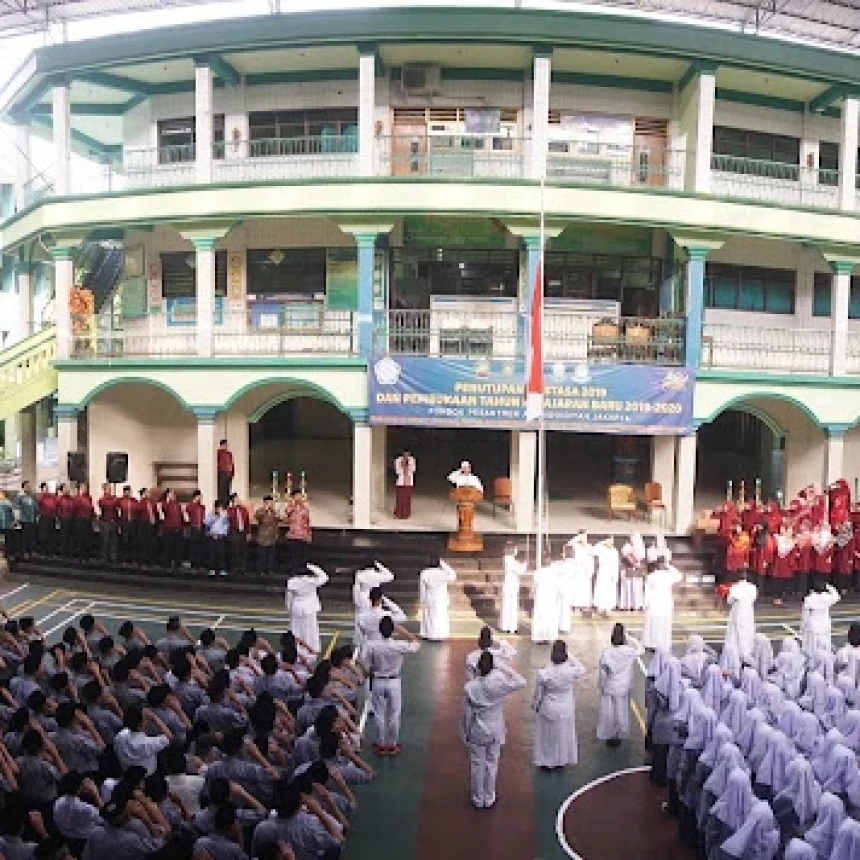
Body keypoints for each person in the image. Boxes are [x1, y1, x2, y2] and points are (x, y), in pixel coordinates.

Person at [460, 651, 526, 809]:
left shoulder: (470, 687)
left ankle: (478, 798)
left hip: (477, 727)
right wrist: (504, 668)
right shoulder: (499, 683)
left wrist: (465, 732)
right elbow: (521, 681)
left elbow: (466, 714)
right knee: (492, 762)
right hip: (496, 726)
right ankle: (489, 797)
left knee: (477, 763)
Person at [365, 615, 420, 755]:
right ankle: (393, 744)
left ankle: (381, 744)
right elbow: (416, 644)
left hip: (378, 680)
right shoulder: (399, 645)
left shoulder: (372, 646)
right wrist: (403, 632)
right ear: (392, 630)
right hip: (394, 682)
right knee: (394, 714)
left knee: (379, 714)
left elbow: (367, 666)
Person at [532, 639, 587, 770]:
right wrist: (570, 656)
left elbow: (538, 693)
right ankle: (560, 761)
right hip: (565, 707)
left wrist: (535, 705)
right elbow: (582, 668)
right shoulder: (571, 671)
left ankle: (546, 761)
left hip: (548, 707)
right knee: (562, 735)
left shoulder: (544, 672)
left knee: (546, 735)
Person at [597, 623, 644, 747]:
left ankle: (611, 735)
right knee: (622, 710)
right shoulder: (629, 651)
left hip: (610, 686)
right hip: (624, 686)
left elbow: (603, 673)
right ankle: (621, 733)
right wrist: (629, 638)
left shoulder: (607, 653)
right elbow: (641, 649)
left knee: (609, 712)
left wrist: (601, 686)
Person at [285, 563, 329, 653]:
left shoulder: (292, 581)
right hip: (310, 608)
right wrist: (312, 567)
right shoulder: (311, 581)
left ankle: (295, 648)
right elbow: (325, 577)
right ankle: (311, 647)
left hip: (296, 608)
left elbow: (288, 597)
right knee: (310, 629)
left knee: (296, 629)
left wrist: (289, 609)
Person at [642, 558, 683, 651]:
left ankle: (651, 644)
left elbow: (647, 592)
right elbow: (679, 575)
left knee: (654, 625)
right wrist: (669, 566)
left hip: (656, 605)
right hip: (664, 605)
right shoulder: (667, 576)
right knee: (662, 625)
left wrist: (645, 604)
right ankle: (661, 645)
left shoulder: (652, 576)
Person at [418, 559, 457, 641]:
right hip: (441, 598)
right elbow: (453, 575)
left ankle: (429, 634)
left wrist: (422, 599)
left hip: (430, 597)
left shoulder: (424, 573)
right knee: (441, 617)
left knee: (429, 617)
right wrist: (444, 564)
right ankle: (440, 635)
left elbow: (422, 588)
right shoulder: (443, 573)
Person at [724, 570, 758, 662]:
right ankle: (747, 652)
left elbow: (729, 601)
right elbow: (754, 598)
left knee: (735, 633)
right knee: (748, 631)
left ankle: (737, 653)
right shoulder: (753, 587)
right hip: (748, 612)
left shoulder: (734, 588)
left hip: (738, 612)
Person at [800, 581, 840, 654]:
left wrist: (803, 625)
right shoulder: (827, 597)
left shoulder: (809, 599)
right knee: (825, 644)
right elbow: (837, 596)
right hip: (825, 623)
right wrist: (828, 586)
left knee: (812, 647)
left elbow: (805, 614)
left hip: (813, 624)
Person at [531, 558, 560, 644]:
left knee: (541, 617)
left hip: (542, 597)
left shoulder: (538, 572)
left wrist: (533, 594)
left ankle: (541, 637)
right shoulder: (554, 572)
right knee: (548, 617)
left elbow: (534, 586)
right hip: (549, 597)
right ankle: (547, 636)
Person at [500, 543, 526, 634]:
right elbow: (520, 571)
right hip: (511, 585)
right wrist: (524, 563)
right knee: (512, 606)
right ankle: (511, 627)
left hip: (509, 585)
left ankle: (506, 625)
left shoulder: (508, 559)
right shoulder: (510, 560)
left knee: (507, 605)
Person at [285, 491, 312, 572]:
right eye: (297, 496)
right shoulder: (290, 507)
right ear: (293, 497)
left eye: (300, 496)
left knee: (302, 554)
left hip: (303, 535)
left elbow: (307, 521)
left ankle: (302, 570)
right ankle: (293, 570)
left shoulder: (305, 508)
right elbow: (287, 515)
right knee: (294, 554)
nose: (299, 498)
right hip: (293, 535)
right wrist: (293, 505)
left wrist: (309, 534)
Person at [619, 532, 647, 611]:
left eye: (636, 537)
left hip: (637, 571)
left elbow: (642, 559)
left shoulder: (641, 548)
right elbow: (627, 558)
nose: (634, 539)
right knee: (628, 588)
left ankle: (637, 605)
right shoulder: (626, 547)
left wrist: (639, 565)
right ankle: (627, 605)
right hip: (628, 570)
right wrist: (634, 563)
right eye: (633, 537)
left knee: (637, 588)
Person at [592, 537, 620, 616]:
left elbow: (616, 564)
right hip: (603, 572)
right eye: (609, 540)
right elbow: (593, 551)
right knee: (601, 590)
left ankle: (608, 609)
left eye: (612, 540)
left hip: (611, 572)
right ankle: (600, 608)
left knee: (610, 591)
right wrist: (601, 542)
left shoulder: (615, 551)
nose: (611, 542)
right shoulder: (601, 548)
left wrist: (615, 575)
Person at [255, 495, 280, 575]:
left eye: (271, 502)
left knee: (271, 556)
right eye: (269, 502)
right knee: (262, 555)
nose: (271, 504)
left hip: (272, 537)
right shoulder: (260, 510)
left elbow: (277, 521)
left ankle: (269, 570)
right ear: (265, 502)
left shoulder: (274, 512)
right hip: (263, 537)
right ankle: (260, 570)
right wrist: (265, 510)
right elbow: (257, 517)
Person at [159, 489, 184, 570]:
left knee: (178, 548)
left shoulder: (178, 505)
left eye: (174, 494)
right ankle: (167, 564)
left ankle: (177, 564)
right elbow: (162, 515)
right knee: (168, 548)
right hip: (169, 529)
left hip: (178, 528)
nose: (173, 495)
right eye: (171, 494)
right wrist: (167, 501)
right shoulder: (164, 504)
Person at [204, 500, 230, 576]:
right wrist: (214, 517)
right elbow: (206, 523)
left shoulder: (224, 515)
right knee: (212, 554)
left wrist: (223, 534)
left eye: (220, 508)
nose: (219, 509)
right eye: (218, 508)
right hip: (212, 536)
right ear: (215, 508)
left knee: (221, 554)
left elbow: (226, 525)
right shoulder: (210, 514)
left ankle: (222, 569)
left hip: (220, 536)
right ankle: (212, 569)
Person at [226, 493, 250, 574]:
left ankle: (243, 567)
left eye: (238, 498)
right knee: (235, 550)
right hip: (234, 531)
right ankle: (234, 567)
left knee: (243, 550)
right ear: (233, 500)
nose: (238, 500)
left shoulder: (244, 509)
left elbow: (247, 521)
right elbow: (229, 518)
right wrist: (234, 507)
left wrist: (248, 533)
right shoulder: (230, 510)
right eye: (236, 499)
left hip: (243, 531)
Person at [96, 482, 118, 564]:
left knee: (113, 540)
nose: (110, 490)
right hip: (105, 522)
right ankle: (104, 557)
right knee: (105, 540)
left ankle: (113, 557)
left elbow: (116, 506)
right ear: (104, 490)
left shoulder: (114, 499)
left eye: (110, 489)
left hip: (113, 521)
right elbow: (107, 506)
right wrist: (113, 500)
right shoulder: (102, 499)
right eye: (108, 489)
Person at [116, 485, 138, 566]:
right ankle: (124, 559)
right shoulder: (120, 501)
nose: (128, 493)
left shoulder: (134, 501)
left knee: (133, 542)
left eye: (129, 491)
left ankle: (133, 559)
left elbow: (137, 510)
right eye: (127, 491)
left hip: (132, 523)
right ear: (124, 492)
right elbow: (117, 512)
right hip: (124, 523)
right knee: (124, 541)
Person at [15, 481, 37, 559]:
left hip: (32, 520)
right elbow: (17, 506)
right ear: (23, 487)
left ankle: (31, 551)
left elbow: (35, 507)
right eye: (27, 486)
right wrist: (17, 519)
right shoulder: (20, 496)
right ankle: (24, 552)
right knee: (24, 537)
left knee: (31, 536)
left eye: (29, 486)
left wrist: (36, 517)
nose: (29, 487)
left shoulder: (32, 496)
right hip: (24, 520)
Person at [185, 489, 206, 570]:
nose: (201, 498)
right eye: (200, 496)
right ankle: (193, 564)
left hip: (201, 528)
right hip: (193, 528)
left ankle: (199, 564)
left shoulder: (202, 507)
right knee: (193, 547)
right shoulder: (190, 506)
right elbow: (187, 517)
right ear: (196, 496)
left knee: (201, 547)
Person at [393, 450, 416, 520]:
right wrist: (402, 465)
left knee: (407, 498)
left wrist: (407, 465)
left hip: (409, 482)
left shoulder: (412, 460)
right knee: (400, 498)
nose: (406, 455)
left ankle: (406, 514)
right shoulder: (398, 460)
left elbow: (413, 469)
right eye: (405, 453)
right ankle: (399, 514)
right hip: (401, 482)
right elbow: (397, 471)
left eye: (408, 454)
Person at [37, 481, 57, 556]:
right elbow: (38, 504)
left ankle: (51, 552)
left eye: (47, 488)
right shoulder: (40, 497)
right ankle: (43, 552)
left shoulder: (51, 497)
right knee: (43, 536)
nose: (47, 489)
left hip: (51, 518)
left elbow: (55, 505)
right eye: (45, 488)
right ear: (42, 489)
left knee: (51, 536)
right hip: (44, 518)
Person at [216, 438, 234, 507]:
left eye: (227, 445)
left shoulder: (229, 453)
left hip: (229, 473)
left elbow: (231, 463)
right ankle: (221, 504)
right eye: (225, 445)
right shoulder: (219, 452)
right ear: (222, 445)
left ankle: (227, 504)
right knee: (222, 489)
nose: (226, 446)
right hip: (222, 473)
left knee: (228, 489)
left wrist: (232, 473)